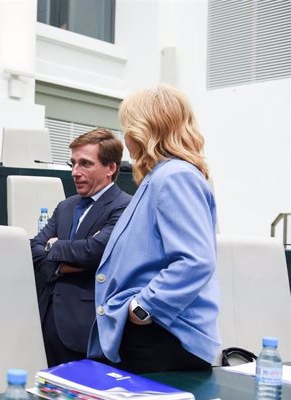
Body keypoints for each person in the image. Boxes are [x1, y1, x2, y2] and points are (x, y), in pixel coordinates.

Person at [88, 85, 220, 374]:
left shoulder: (174, 177)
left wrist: (143, 308)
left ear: (143, 130)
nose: (124, 138)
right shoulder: (162, 176)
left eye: (127, 127)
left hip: (163, 336)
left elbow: (195, 260)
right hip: (157, 334)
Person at [31, 128, 131, 367]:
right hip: (46, 319)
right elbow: (34, 248)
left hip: (86, 327)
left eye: (85, 164)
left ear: (110, 168)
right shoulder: (66, 206)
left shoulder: (125, 206)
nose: (75, 172)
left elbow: (96, 251)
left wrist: (54, 246)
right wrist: (64, 266)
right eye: (73, 163)